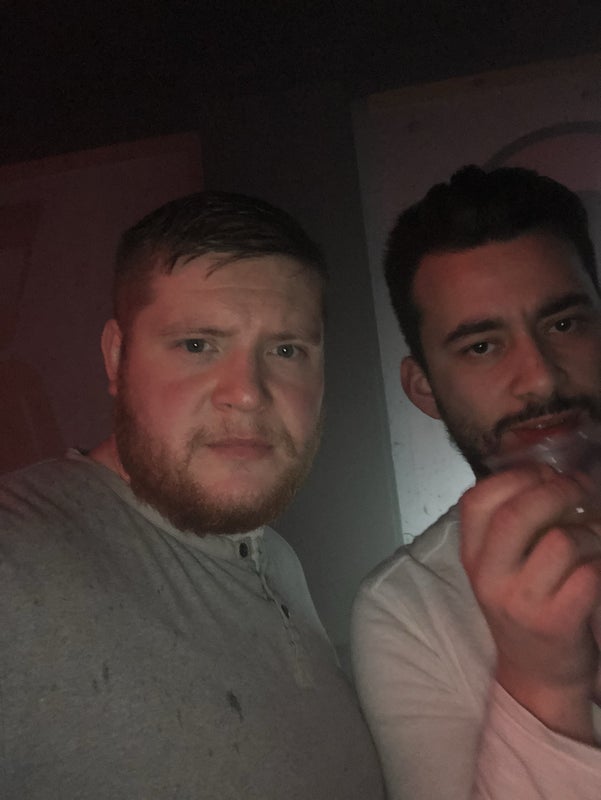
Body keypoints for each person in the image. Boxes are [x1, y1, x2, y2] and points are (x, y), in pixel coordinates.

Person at [0, 191, 384, 799]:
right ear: (117, 358)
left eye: (286, 350)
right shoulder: (15, 557)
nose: (248, 393)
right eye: (197, 345)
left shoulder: (277, 559)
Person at [351, 166, 601, 799]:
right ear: (424, 388)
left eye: (565, 324)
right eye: (482, 347)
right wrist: (542, 687)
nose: (540, 378)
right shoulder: (409, 610)